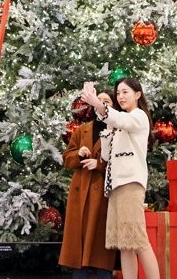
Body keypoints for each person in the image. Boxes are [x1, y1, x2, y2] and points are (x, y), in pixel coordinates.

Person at [80, 79, 160, 279]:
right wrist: (107, 134)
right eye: (119, 93)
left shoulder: (138, 116)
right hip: (116, 186)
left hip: (130, 184)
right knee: (125, 244)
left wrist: (97, 104)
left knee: (139, 241)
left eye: (125, 92)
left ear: (138, 95)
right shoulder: (119, 123)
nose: (121, 97)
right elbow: (106, 157)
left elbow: (121, 120)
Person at [59, 88, 117, 278]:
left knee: (100, 249)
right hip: (81, 191)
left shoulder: (117, 130)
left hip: (103, 194)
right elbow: (66, 158)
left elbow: (122, 162)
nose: (101, 103)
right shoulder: (82, 130)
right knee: (80, 248)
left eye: (106, 101)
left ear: (113, 106)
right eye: (98, 100)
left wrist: (99, 164)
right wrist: (78, 153)